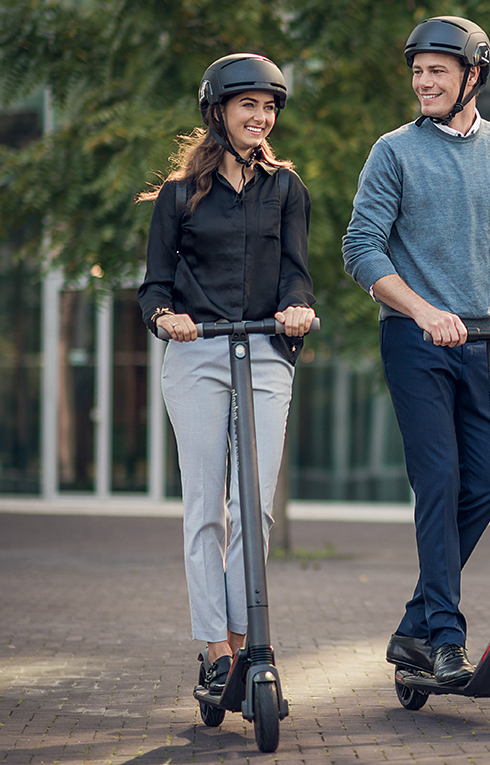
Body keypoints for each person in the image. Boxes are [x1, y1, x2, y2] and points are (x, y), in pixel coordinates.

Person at [342, 16, 490, 686]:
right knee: (439, 480)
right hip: (416, 339)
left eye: (437, 70)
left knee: (488, 484)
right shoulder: (393, 151)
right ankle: (445, 634)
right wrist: (422, 309)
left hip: (486, 342)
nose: (423, 82)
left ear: (474, 75)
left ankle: (414, 624)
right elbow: (362, 249)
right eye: (417, 71)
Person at [137, 53, 315, 696]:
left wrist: (298, 307)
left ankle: (246, 644)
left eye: (269, 107)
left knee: (255, 508)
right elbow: (153, 285)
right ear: (219, 113)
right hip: (198, 354)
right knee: (205, 508)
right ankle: (215, 648)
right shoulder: (180, 197)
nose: (262, 117)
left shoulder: (287, 189)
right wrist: (166, 318)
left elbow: (297, 269)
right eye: (249, 106)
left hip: (265, 350)